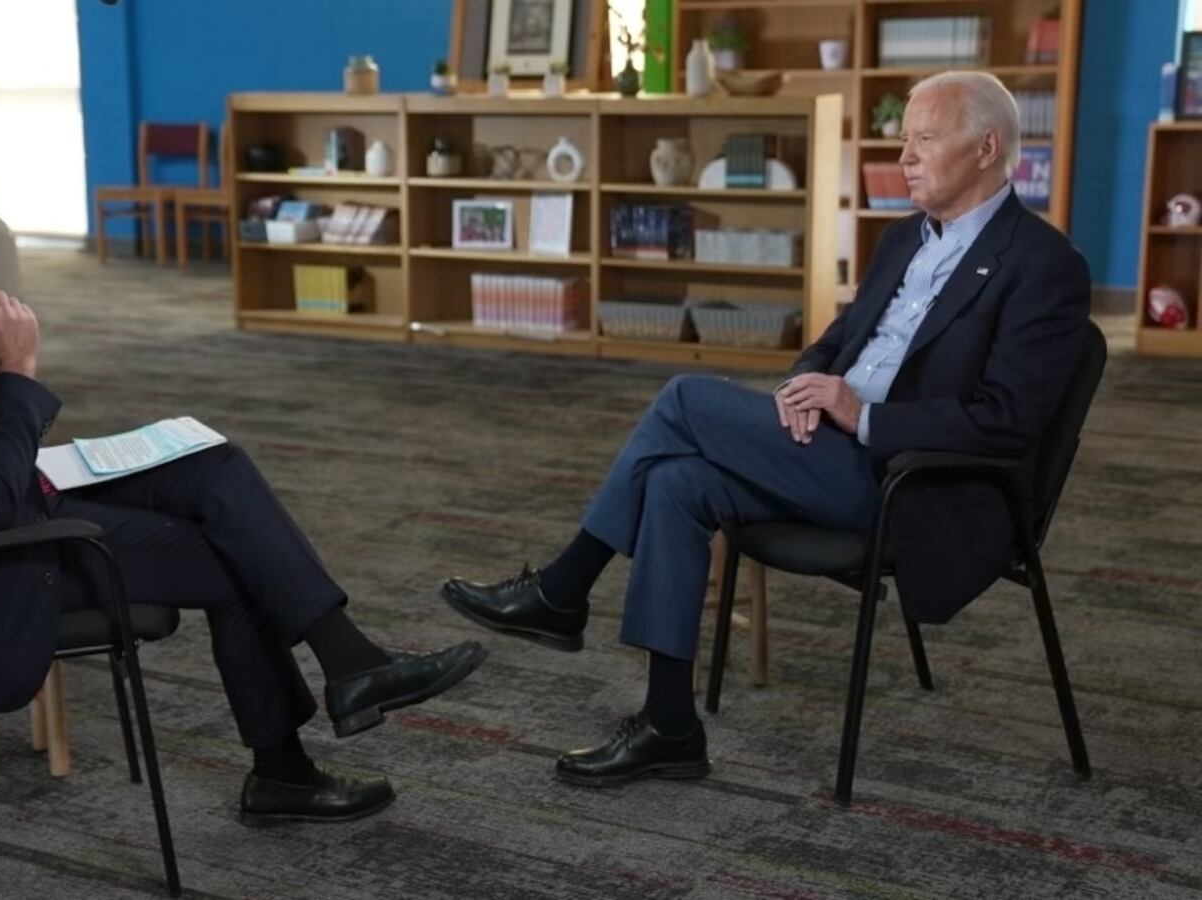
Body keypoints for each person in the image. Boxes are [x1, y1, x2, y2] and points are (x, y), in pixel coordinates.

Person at [0, 158, 486, 826]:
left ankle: (350, 662)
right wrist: (16, 368)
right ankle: (285, 771)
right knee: (237, 560)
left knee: (215, 463)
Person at [441, 71, 1091, 787]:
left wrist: (861, 414)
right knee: (677, 481)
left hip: (909, 481)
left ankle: (563, 592)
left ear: (987, 147)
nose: (904, 155)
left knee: (685, 397)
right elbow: (836, 342)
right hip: (828, 449)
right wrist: (804, 388)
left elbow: (1006, 420)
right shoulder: (904, 238)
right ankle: (670, 726)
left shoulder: (1045, 266)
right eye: (903, 139)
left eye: (925, 139)